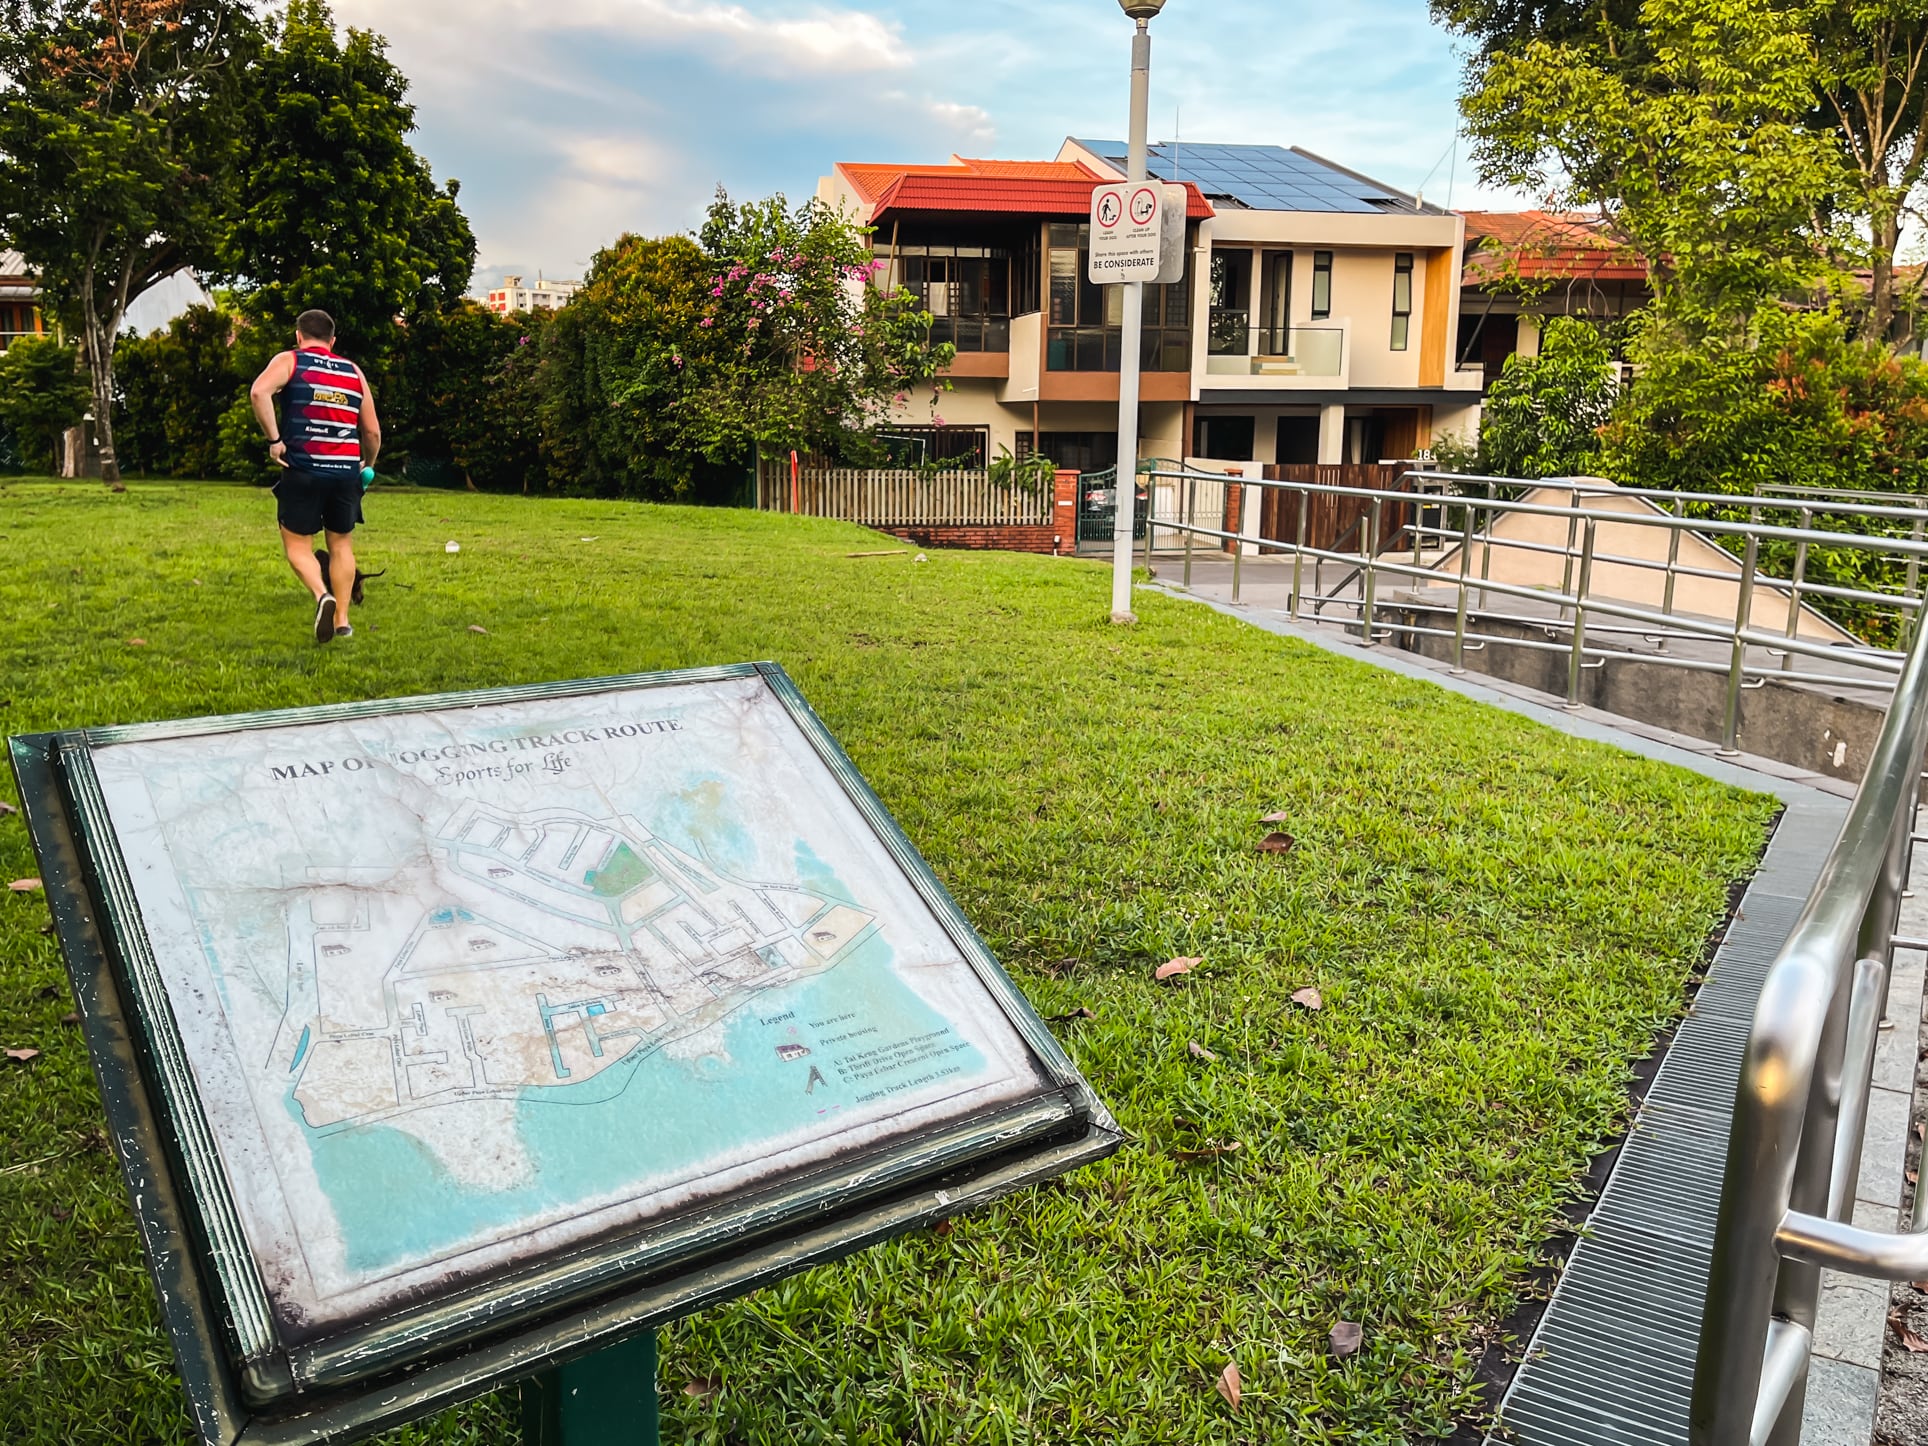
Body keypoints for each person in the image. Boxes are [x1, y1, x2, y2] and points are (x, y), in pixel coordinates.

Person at [249, 310, 382, 644]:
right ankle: (342, 622)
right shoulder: (354, 371)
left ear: (299, 336)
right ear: (332, 341)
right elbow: (372, 431)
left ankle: (323, 595)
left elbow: (259, 392)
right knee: (341, 544)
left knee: (297, 545)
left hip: (304, 468)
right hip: (345, 473)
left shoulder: (290, 361)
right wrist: (367, 464)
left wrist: (274, 441)